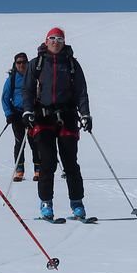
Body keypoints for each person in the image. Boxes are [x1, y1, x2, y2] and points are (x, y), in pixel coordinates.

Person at [20, 26, 91, 221]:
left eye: (59, 39)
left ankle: (77, 203)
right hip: (43, 117)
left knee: (70, 163)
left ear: (64, 42)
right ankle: (46, 203)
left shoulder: (71, 64)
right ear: (46, 40)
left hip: (67, 116)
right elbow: (27, 90)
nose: (55, 42)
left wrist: (85, 114)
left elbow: (81, 91)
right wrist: (27, 111)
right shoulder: (37, 64)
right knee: (48, 162)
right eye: (52, 38)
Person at [0, 51, 35, 182]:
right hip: (17, 114)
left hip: (32, 113)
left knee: (35, 141)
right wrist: (9, 114)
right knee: (19, 142)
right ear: (15, 64)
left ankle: (38, 169)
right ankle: (19, 170)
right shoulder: (12, 79)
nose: (22, 65)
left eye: (24, 62)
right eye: (19, 62)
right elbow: (5, 98)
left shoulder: (33, 76)